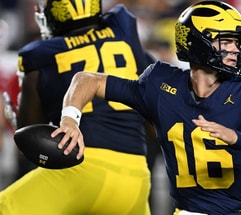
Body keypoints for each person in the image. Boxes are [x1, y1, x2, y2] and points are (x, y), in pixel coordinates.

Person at [52, 1, 241, 214]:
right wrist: (70, 119)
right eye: (225, 42)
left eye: (237, 42)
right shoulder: (160, 84)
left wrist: (235, 137)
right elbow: (87, 79)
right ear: (197, 43)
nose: (236, 50)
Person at [0, 0, 155, 214]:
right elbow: (154, 126)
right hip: (136, 178)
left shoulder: (41, 57)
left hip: (79, 170)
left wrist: (17, 114)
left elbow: (28, 142)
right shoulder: (127, 38)